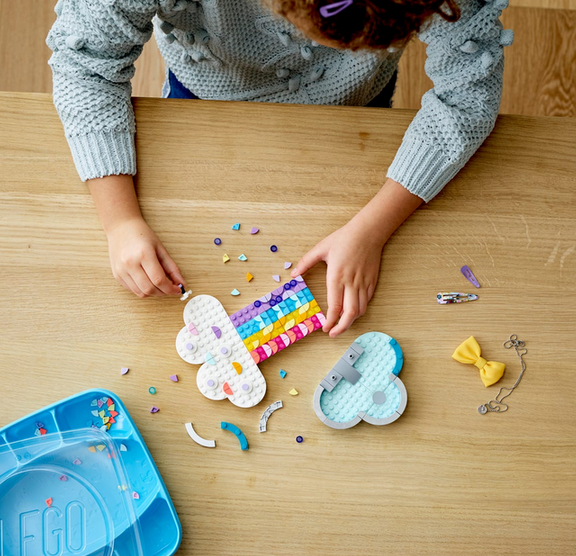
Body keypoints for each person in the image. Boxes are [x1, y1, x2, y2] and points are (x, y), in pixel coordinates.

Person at [47, 0, 511, 336]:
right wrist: (119, 220)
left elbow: (467, 97)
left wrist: (373, 227)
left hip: (357, 112)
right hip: (204, 100)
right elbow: (84, 65)